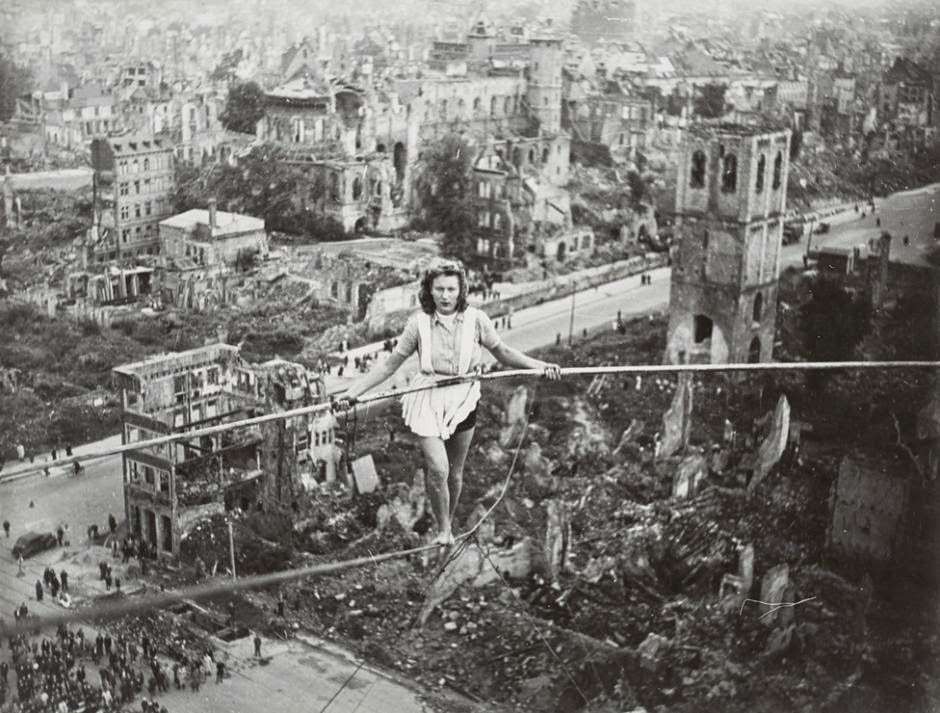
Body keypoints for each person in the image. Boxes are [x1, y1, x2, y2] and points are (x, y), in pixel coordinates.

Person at [334, 259, 561, 545]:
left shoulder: (477, 320)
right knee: (438, 469)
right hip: (427, 398)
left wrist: (540, 365)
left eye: (451, 289)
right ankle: (443, 530)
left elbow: (503, 352)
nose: (445, 295)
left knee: (454, 474)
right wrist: (353, 392)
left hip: (464, 398)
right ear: (429, 291)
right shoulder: (418, 324)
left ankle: (449, 522)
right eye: (439, 289)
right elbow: (388, 366)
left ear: (461, 290)